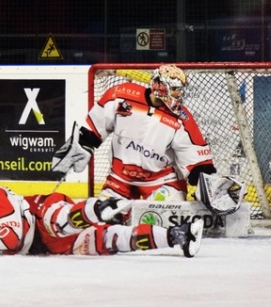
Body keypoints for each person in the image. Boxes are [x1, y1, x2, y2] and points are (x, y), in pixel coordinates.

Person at [50, 64, 224, 220]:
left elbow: (196, 160)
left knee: (160, 220)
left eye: (180, 90)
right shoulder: (120, 95)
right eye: (175, 89)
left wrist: (208, 182)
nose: (179, 95)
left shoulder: (182, 118)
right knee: (103, 220)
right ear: (160, 86)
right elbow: (95, 127)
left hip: (162, 182)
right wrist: (82, 144)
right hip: (120, 179)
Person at [0, 170, 204, 258]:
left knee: (61, 222)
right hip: (47, 246)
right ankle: (177, 235)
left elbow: (13, 239)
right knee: (111, 240)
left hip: (41, 214)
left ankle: (100, 208)